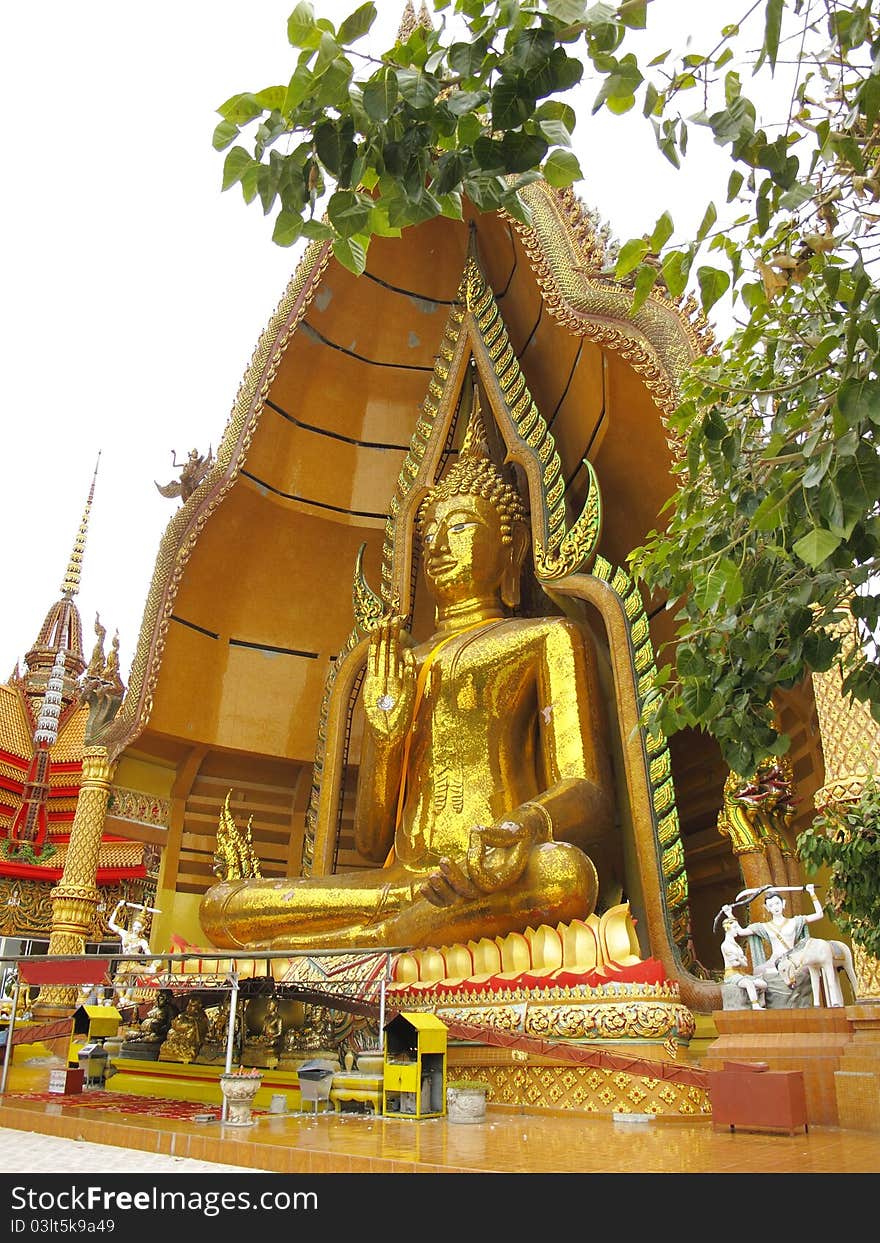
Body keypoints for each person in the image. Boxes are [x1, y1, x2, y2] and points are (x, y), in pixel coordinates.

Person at [200, 394, 615, 952]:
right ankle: (392, 931)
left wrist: (525, 827)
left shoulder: (545, 638)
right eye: (430, 533)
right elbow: (372, 844)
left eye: (462, 526)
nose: (440, 545)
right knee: (225, 905)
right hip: (399, 887)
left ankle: (371, 944)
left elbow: (588, 791)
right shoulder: (401, 666)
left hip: (496, 876)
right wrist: (387, 735)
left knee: (565, 877)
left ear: (510, 546)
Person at [719, 917, 768, 1009]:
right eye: (735, 927)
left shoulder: (736, 946)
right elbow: (735, 964)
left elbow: (745, 964)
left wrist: (739, 959)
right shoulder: (725, 945)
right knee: (749, 983)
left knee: (762, 984)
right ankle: (755, 1004)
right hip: (732, 975)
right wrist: (740, 958)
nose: (737, 930)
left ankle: (755, 999)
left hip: (740, 973)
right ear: (728, 929)